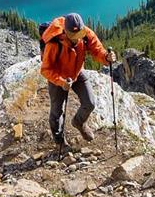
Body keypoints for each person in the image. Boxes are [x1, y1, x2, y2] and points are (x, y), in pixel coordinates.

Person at [40, 12, 116, 145]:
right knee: (57, 112)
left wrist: (106, 57)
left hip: (77, 72)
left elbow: (97, 49)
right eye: (73, 36)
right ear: (65, 31)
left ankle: (78, 123)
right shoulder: (54, 43)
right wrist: (61, 82)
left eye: (79, 35)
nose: (76, 39)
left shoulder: (85, 33)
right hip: (59, 78)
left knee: (90, 103)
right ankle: (60, 142)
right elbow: (46, 69)